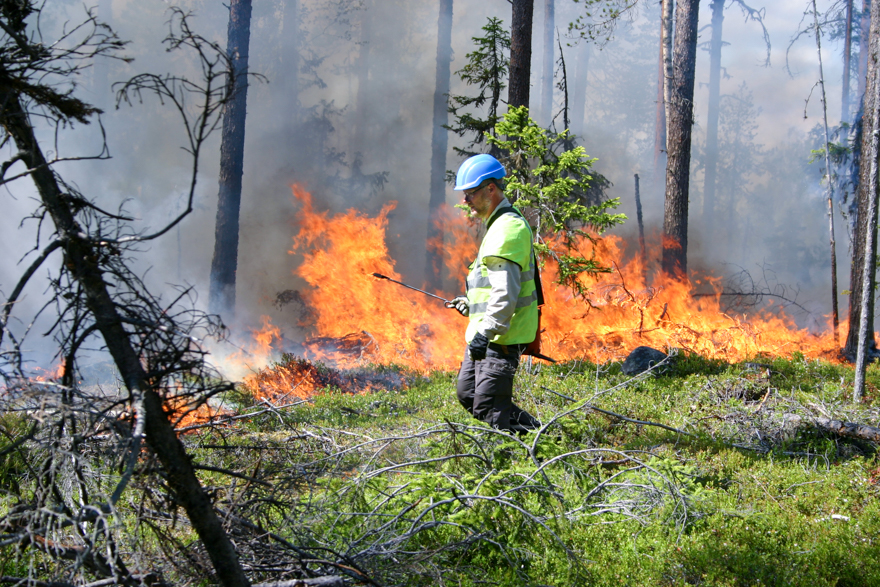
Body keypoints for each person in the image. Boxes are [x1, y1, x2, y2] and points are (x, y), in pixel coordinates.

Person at [449, 153, 541, 433]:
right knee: (468, 394)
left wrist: (485, 333)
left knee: (489, 408)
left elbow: (505, 293)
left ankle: (523, 454)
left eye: (471, 193)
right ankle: (537, 432)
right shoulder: (496, 226)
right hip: (486, 334)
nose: (466, 201)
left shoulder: (507, 228)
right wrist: (470, 304)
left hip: (499, 338)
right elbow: (492, 288)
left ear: (491, 189)